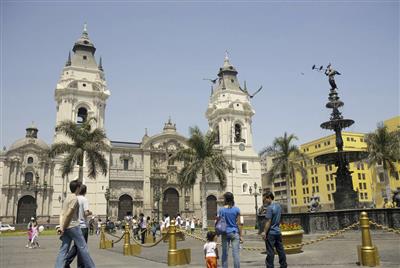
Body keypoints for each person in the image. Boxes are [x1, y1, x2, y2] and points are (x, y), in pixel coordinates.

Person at [54, 180, 95, 268]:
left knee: (63, 249)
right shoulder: (74, 199)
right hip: (74, 227)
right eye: (79, 187)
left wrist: (62, 227)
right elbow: (69, 214)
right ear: (77, 188)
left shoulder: (67, 199)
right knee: (83, 248)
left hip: (66, 227)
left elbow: (62, 214)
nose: (80, 188)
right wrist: (63, 227)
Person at [65, 184, 92, 268]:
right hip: (83, 226)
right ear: (85, 191)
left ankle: (67, 261)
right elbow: (85, 213)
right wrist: (90, 212)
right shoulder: (84, 200)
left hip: (74, 226)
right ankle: (69, 262)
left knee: (77, 246)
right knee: (81, 247)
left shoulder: (74, 199)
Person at [262, 191, 287, 268]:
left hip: (271, 233)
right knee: (280, 250)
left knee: (270, 252)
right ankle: (283, 265)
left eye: (265, 199)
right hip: (278, 232)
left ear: (269, 198)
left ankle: (270, 266)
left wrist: (264, 232)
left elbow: (268, 221)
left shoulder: (269, 208)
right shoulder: (278, 206)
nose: (264, 202)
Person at [218, 192, 242, 268]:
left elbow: (220, 222)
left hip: (225, 233)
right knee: (236, 254)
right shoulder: (236, 209)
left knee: (224, 253)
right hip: (234, 232)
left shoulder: (221, 210)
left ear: (226, 199)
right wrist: (241, 236)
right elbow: (239, 224)